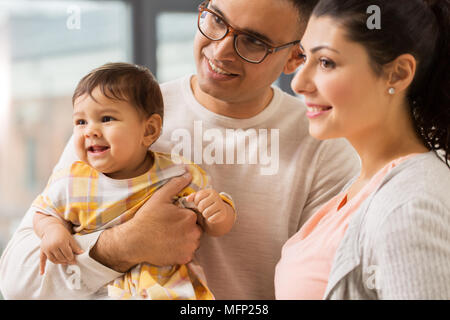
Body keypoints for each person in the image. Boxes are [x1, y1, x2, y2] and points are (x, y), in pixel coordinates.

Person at [0, 0, 360, 300]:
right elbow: (17, 283)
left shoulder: (325, 148)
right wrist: (124, 246)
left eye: (252, 41)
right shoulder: (116, 119)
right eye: (216, 20)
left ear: (295, 58)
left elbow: (327, 288)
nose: (219, 49)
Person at [275, 0, 450, 299]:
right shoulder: (367, 185)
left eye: (326, 62)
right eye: (304, 58)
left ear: (397, 74)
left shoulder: (408, 207)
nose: (299, 83)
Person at [31, 62, 236, 300]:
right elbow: (44, 212)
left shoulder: (174, 173)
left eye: (106, 118)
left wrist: (219, 213)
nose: (90, 131)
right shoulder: (72, 180)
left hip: (168, 290)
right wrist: (52, 231)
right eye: (81, 122)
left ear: (149, 130)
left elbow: (210, 216)